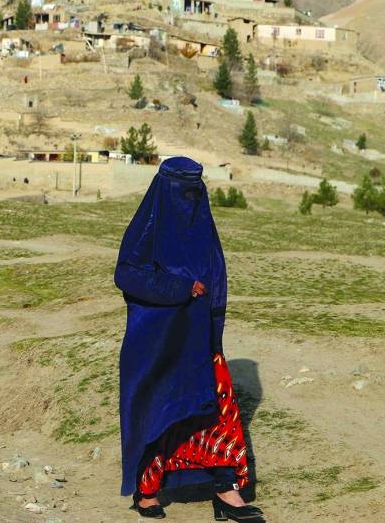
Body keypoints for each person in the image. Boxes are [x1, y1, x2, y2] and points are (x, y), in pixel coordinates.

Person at [115, 157, 263, 521]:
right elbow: (127, 274)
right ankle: (147, 491)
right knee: (161, 412)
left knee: (218, 409)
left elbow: (217, 281)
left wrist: (214, 337)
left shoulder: (203, 226)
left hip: (201, 341)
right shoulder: (149, 225)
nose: (189, 196)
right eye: (182, 188)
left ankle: (226, 490)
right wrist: (179, 288)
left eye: (194, 187)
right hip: (160, 342)